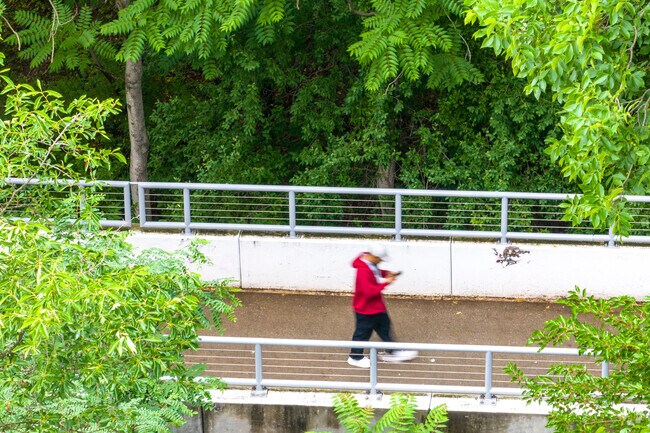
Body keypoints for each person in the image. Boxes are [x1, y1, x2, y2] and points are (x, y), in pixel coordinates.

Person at [347, 244, 418, 368]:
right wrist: (386, 283)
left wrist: (386, 274)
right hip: (366, 310)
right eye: (380, 259)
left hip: (374, 308)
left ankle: (393, 351)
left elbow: (375, 272)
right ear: (373, 256)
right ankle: (355, 357)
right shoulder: (363, 271)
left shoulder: (367, 263)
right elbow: (369, 292)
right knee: (362, 333)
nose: (381, 261)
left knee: (384, 328)